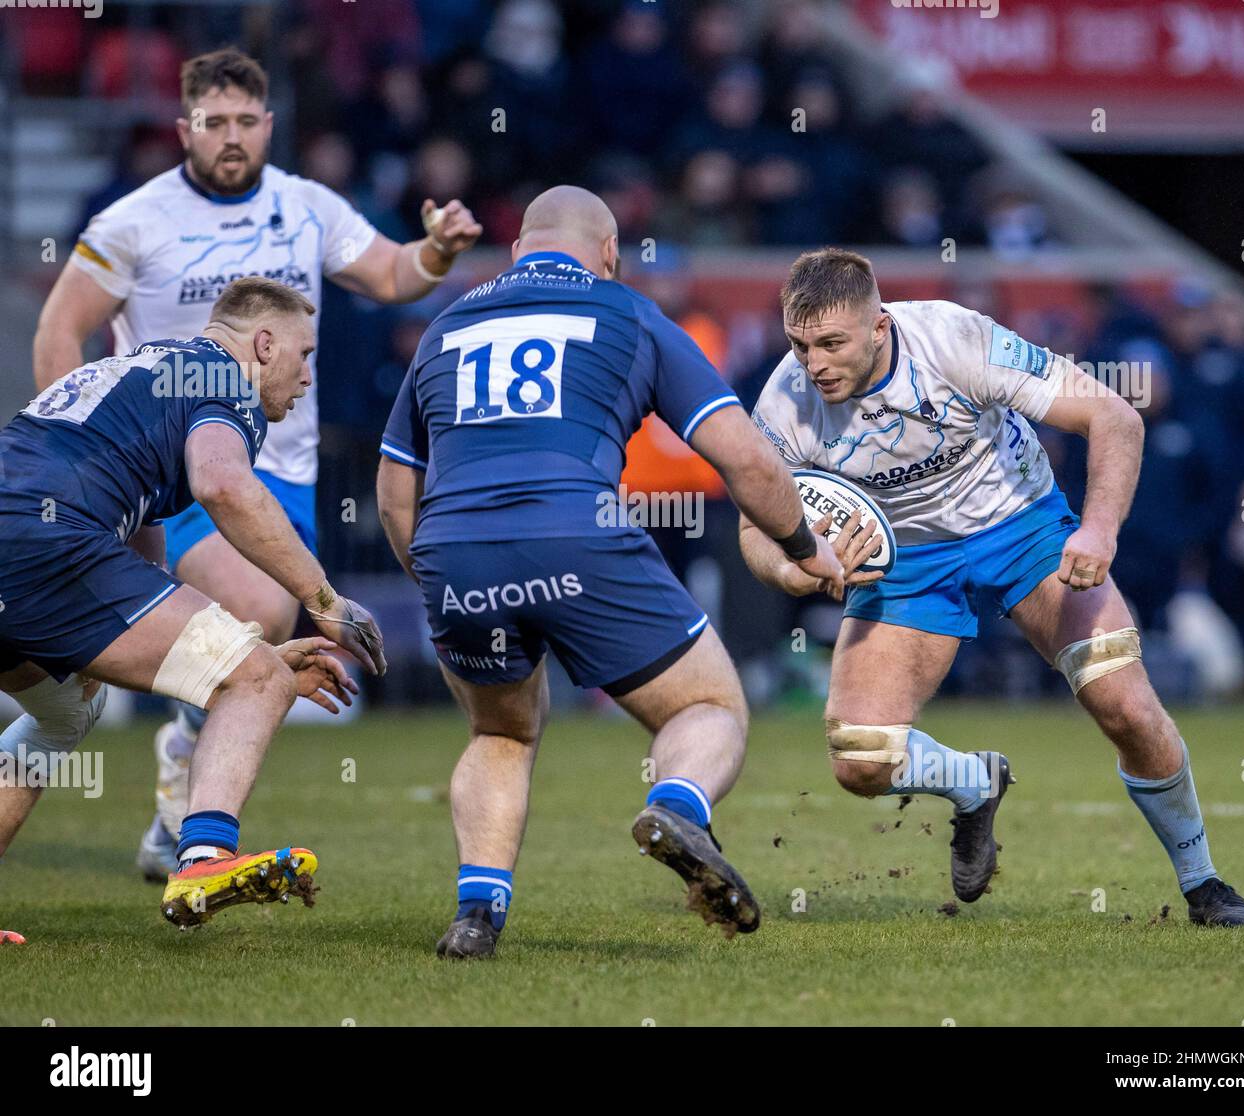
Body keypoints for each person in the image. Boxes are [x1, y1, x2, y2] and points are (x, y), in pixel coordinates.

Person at [30, 48, 480, 880]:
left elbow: (389, 272)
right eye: (214, 123)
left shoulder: (305, 206)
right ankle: (191, 822)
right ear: (184, 129)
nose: (231, 137)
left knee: (150, 666)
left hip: (285, 470)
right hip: (180, 472)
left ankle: (182, 776)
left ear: (269, 126)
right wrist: (88, 469)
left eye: (245, 122)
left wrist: (438, 250)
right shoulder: (134, 220)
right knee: (259, 612)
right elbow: (60, 331)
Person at [376, 186, 843, 957]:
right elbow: (747, 458)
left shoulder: (445, 325)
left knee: (500, 730)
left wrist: (439, 578)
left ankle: (477, 915)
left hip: (453, 547)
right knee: (709, 705)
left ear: (520, 250)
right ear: (609, 255)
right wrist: (803, 548)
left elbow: (396, 499)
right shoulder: (629, 313)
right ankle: (676, 805)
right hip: (575, 532)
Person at [742, 248, 1244, 927]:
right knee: (860, 758)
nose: (816, 364)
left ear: (879, 327)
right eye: (801, 345)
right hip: (907, 561)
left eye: (832, 344)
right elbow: (756, 527)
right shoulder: (785, 401)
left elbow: (1115, 418)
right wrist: (794, 566)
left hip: (1022, 530)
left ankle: (1203, 883)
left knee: (1126, 706)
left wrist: (1099, 532)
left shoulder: (956, 339)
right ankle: (972, 784)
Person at [1, 277, 385, 937]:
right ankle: (205, 857)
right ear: (263, 344)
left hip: (27, 538)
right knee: (259, 680)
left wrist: (234, 650)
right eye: (304, 354)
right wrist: (322, 600)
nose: (306, 376)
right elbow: (224, 484)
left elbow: (145, 553)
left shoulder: (143, 368)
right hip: (49, 545)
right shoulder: (223, 382)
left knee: (67, 712)